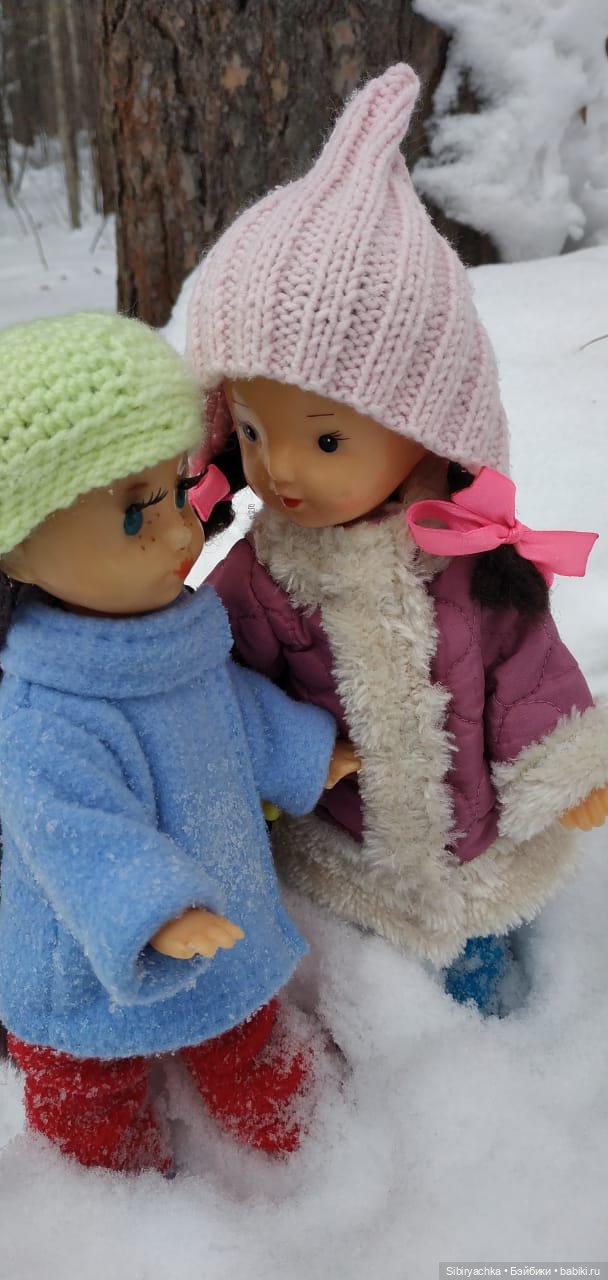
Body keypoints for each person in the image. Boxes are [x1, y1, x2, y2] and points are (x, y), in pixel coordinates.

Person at [185, 64, 608, 1012]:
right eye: (250, 430)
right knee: (362, 991)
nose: (280, 471)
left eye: (327, 440)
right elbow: (221, 684)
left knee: (476, 968)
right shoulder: (258, 573)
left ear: (427, 426)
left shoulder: (467, 549)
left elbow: (524, 663)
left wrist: (565, 765)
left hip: (475, 850)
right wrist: (290, 752)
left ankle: (499, 1032)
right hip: (340, 849)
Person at [0, 312, 358, 1174]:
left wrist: (304, 752)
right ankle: (115, 1208)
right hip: (91, 958)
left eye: (176, 494)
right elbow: (75, 832)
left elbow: (230, 714)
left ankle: (321, 1158)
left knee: (255, 1049)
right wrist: (152, 910)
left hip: (220, 922)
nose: (181, 533)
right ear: (17, 554)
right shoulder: (43, 711)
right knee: (87, 1105)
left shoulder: (179, 634)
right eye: (134, 516)